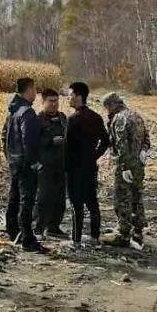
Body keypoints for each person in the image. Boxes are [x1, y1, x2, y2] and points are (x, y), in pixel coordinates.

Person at [64, 82, 111, 247]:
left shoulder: (73, 120)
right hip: (90, 167)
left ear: (78, 96)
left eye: (69, 94)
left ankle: (76, 241)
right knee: (92, 204)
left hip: (74, 168)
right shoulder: (96, 117)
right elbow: (105, 141)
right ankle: (94, 237)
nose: (68, 98)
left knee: (77, 206)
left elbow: (67, 146)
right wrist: (93, 156)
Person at [103, 92, 151, 250]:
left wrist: (124, 167)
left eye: (107, 107)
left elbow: (121, 145)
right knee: (137, 196)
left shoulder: (120, 118)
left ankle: (123, 234)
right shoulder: (137, 116)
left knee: (122, 198)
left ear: (112, 105)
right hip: (138, 165)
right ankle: (138, 232)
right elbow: (146, 140)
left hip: (126, 165)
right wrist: (143, 153)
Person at [3, 77, 45, 252]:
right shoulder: (27, 113)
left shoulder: (13, 111)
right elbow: (29, 140)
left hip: (14, 161)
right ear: (29, 90)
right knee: (26, 201)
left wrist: (10, 157)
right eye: (34, 89)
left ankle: (13, 231)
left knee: (14, 198)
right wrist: (34, 162)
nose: (36, 93)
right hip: (25, 164)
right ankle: (27, 239)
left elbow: (4, 136)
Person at [33, 88, 67, 239]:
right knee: (43, 198)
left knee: (59, 199)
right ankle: (38, 228)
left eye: (56, 101)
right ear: (43, 102)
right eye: (51, 101)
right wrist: (51, 141)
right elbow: (32, 142)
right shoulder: (38, 119)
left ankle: (54, 227)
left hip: (61, 164)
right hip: (45, 165)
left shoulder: (63, 118)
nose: (54, 104)